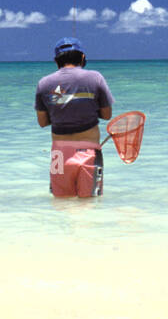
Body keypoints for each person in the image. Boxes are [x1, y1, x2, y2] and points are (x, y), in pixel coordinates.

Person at [35, 37, 114, 198]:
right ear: (82, 57)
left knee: (60, 203)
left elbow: (42, 122)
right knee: (89, 205)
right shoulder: (95, 78)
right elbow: (107, 115)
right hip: (89, 150)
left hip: (59, 153)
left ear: (56, 61)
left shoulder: (44, 83)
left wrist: (60, 110)